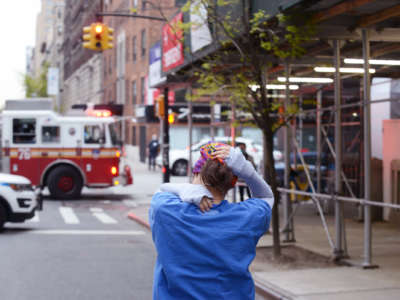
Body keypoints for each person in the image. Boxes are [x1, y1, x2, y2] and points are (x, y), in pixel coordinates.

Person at [149, 142, 274, 300]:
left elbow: (161, 190)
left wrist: (184, 189)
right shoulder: (246, 217)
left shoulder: (166, 210)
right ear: (230, 185)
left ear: (195, 174)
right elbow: (266, 197)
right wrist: (247, 171)